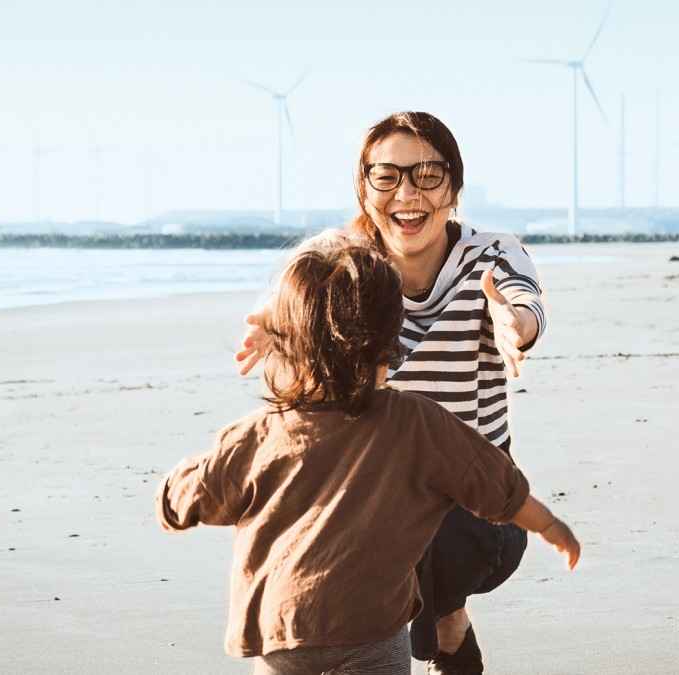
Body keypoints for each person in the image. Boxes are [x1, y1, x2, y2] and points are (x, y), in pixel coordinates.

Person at [159, 237, 580, 675]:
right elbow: (493, 481)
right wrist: (548, 525)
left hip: (282, 630)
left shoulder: (261, 434)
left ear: (289, 344)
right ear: (386, 344)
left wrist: (170, 500)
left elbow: (195, 493)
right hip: (373, 631)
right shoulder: (414, 420)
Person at [235, 111, 549, 674]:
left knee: (426, 538)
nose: (408, 193)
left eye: (428, 175)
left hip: (474, 510)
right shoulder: (343, 262)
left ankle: (443, 613)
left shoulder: (492, 255)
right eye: (388, 176)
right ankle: (443, 632)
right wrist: (280, 321)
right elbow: (296, 295)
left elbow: (523, 300)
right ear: (364, 187)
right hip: (369, 489)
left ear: (453, 187)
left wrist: (514, 324)